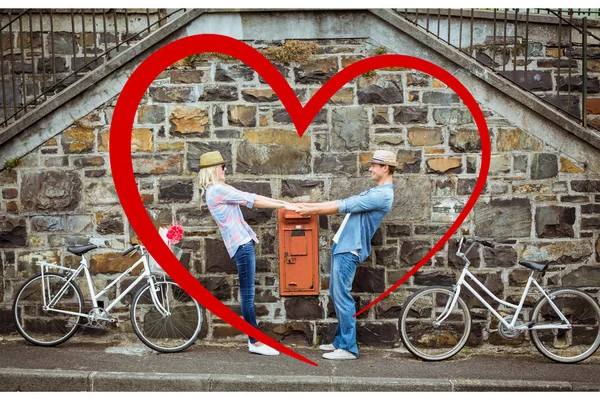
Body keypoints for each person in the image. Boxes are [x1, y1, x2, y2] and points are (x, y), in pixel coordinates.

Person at [296, 150, 396, 360]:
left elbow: (344, 205)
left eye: (374, 165)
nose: (370, 168)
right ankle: (340, 342)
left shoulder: (382, 195)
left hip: (350, 248)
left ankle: (349, 348)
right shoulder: (375, 191)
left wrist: (312, 210)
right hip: (343, 246)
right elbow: (344, 201)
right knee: (337, 294)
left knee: (342, 297)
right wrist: (312, 207)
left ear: (385, 167)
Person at [198, 150, 296, 356]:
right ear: (212, 170)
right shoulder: (216, 190)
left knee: (248, 293)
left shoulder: (218, 189)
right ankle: (254, 341)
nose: (225, 169)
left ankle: (255, 339)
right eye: (221, 166)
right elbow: (253, 199)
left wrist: (283, 204)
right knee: (248, 295)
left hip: (242, 244)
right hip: (242, 246)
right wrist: (285, 204)